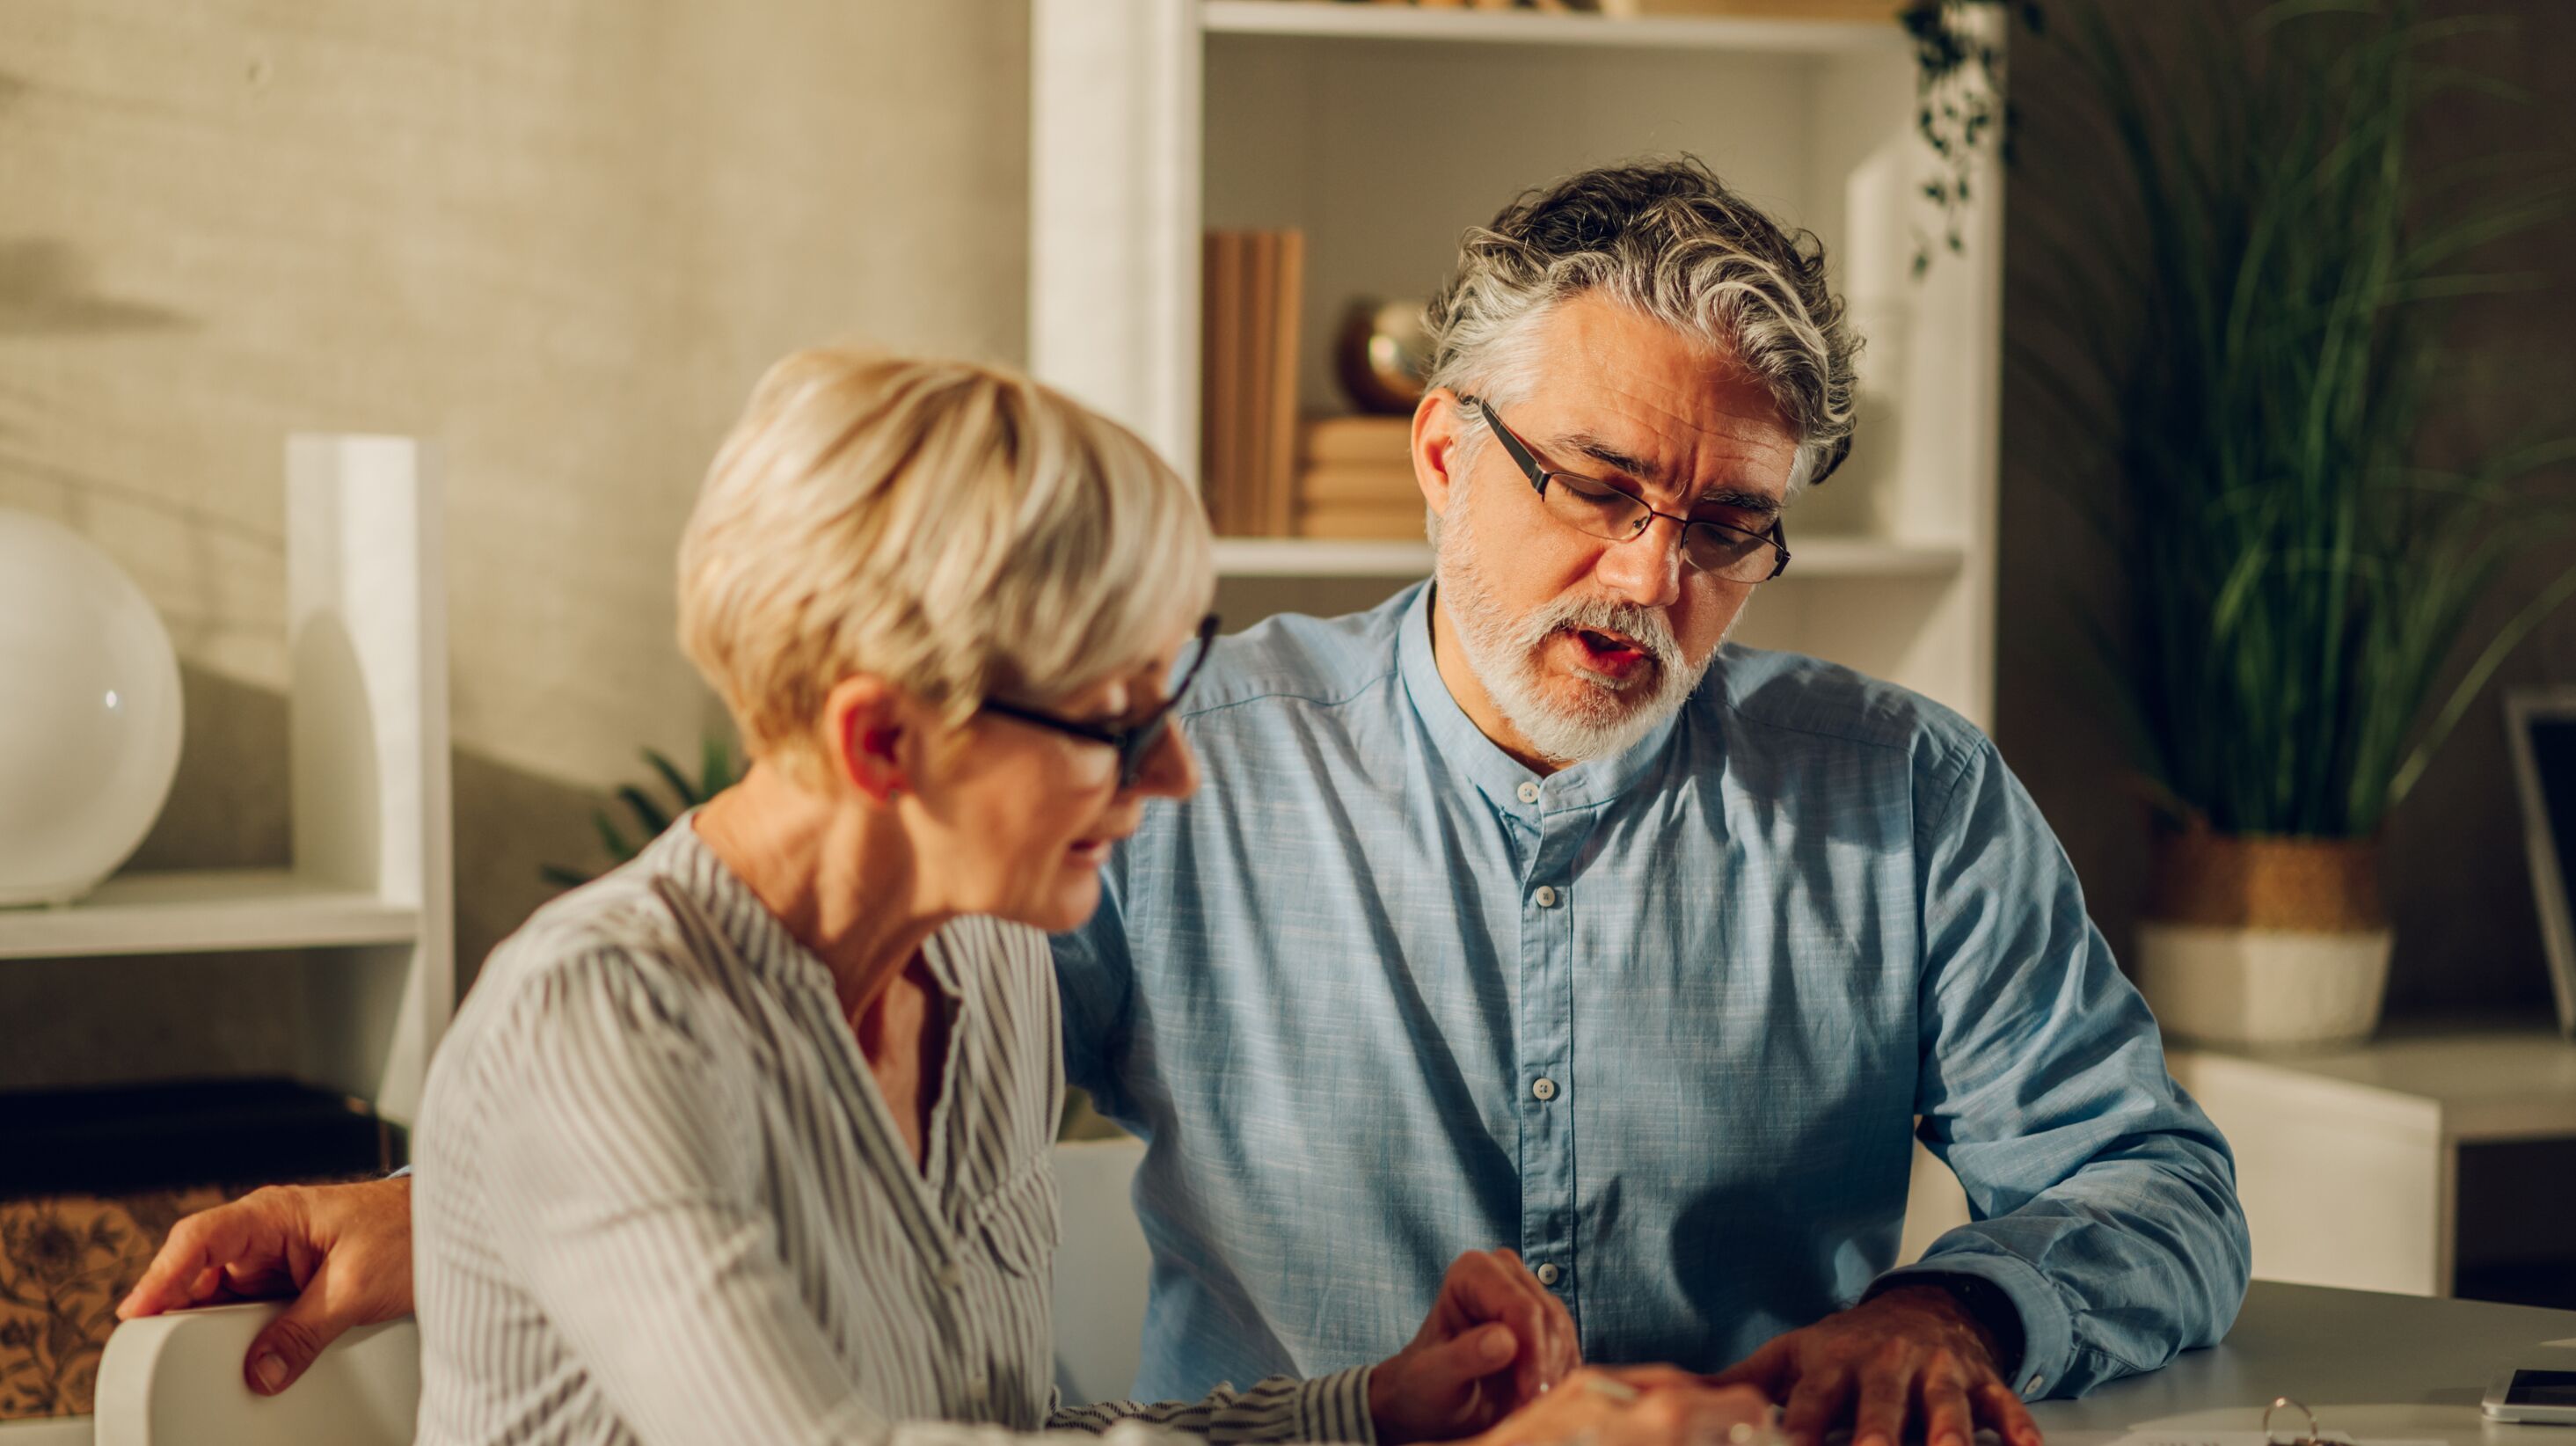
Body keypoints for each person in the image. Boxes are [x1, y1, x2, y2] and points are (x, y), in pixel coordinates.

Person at [127, 157, 2250, 1446]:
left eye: (1724, 528)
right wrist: (466, 1207)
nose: (1648, 577)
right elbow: (750, 1054)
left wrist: (1941, 1306)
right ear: (1440, 454)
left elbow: (2158, 1192)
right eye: (1599, 490)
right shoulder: (1166, 772)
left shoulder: (1896, 797)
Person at [124, 349, 1769, 1446]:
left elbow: (1006, 1440)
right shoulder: (597, 1023)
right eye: (1119, 725)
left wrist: (1376, 1416)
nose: (1174, 776)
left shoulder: (980, 969)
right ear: (879, 735)